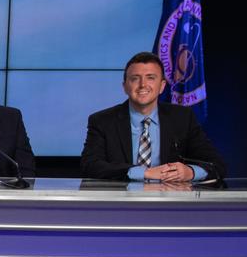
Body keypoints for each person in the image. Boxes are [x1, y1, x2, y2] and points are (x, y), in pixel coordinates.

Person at [80, 52, 226, 181]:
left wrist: (190, 172)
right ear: (125, 86)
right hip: (120, 205)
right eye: (135, 78)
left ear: (162, 86)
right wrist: (145, 173)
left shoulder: (182, 118)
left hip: (170, 206)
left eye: (150, 78)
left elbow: (217, 165)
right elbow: (90, 166)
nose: (143, 85)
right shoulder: (102, 121)